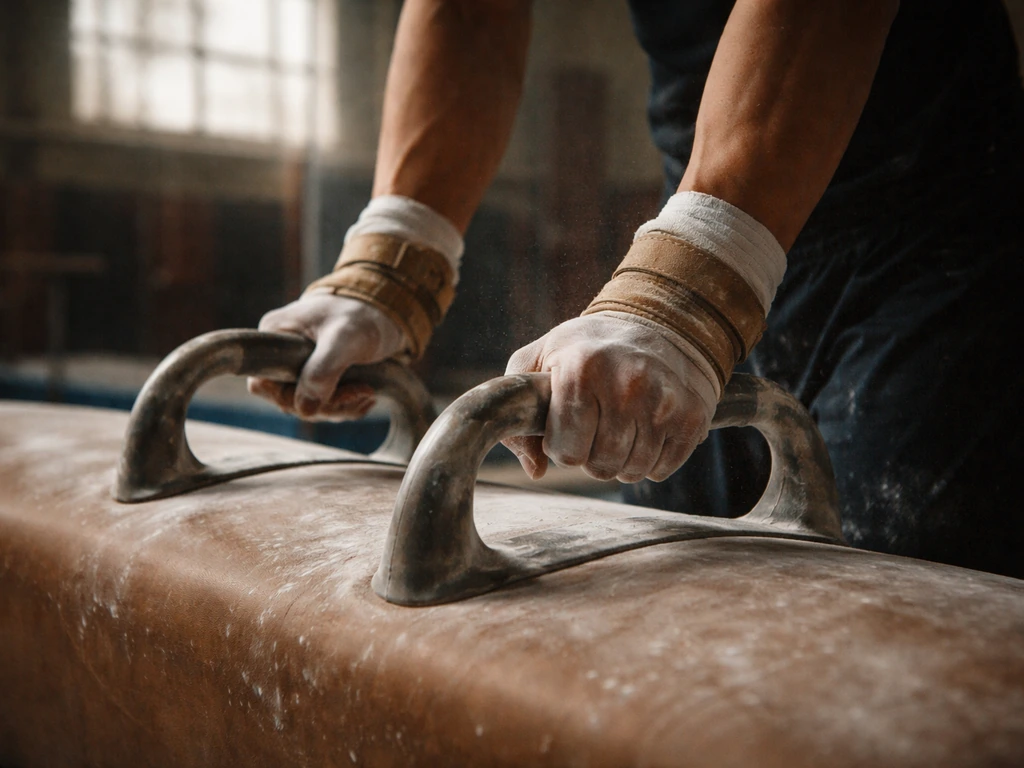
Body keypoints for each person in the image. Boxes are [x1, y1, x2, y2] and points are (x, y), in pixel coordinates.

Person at [249, 0, 1024, 578]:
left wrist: (690, 286)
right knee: (662, 622)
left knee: (887, 625)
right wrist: (393, 264)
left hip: (930, 246)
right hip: (705, 218)